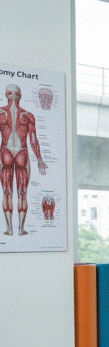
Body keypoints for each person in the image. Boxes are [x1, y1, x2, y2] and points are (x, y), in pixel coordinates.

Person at [1, 84, 48, 236]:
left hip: (5, 151)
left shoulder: (1, 113)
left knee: (7, 192)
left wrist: (40, 159)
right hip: (22, 152)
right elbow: (33, 139)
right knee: (22, 192)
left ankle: (9, 229)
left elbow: (33, 139)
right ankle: (20, 229)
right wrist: (39, 159)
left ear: (7, 95)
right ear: (19, 96)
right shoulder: (28, 115)